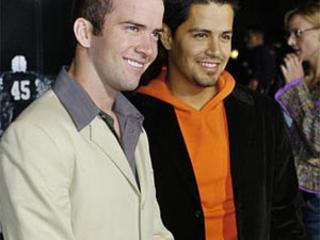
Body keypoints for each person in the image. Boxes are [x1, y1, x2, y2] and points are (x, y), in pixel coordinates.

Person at [129, 0, 306, 239]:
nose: (215, 50)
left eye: (224, 37)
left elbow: (284, 215)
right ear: (167, 37)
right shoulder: (133, 118)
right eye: (201, 35)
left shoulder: (263, 114)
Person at [0, 0, 174, 239]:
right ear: (85, 32)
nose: (149, 49)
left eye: (154, 34)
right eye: (132, 28)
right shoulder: (33, 136)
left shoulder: (133, 127)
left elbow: (153, 231)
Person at [275, 2, 320, 239]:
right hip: (292, 194)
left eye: (298, 33)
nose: (291, 42)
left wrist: (295, 89)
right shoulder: (301, 75)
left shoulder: (298, 82)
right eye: (289, 34)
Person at [237, 25, 277, 94]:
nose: (245, 39)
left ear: (258, 37)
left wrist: (255, 79)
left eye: (249, 37)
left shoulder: (260, 52)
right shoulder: (267, 51)